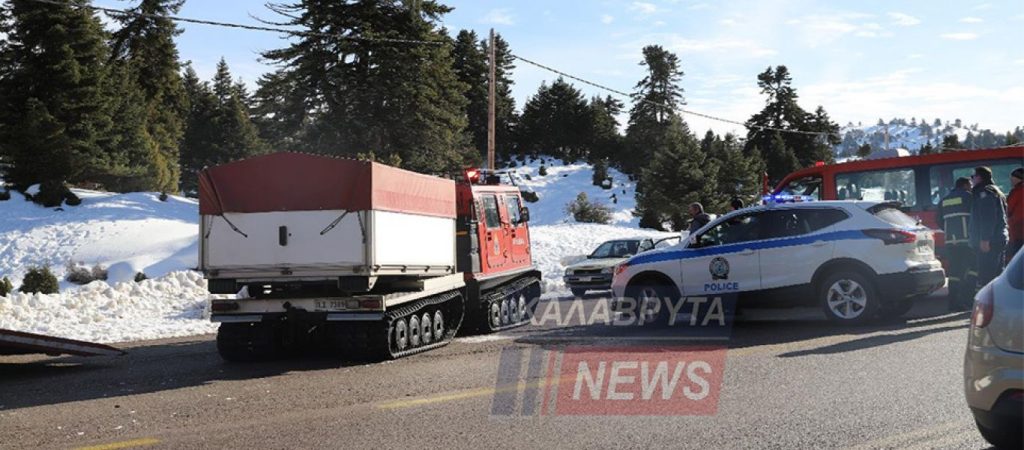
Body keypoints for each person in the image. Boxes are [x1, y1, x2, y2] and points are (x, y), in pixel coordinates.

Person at [938, 177, 974, 311]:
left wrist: (949, 232)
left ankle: (953, 303)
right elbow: (976, 217)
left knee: (954, 272)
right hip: (967, 241)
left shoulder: (944, 199)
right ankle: (966, 300)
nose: (971, 187)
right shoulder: (969, 197)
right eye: (969, 185)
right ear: (965, 185)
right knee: (970, 269)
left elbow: (939, 219)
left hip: (950, 242)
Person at [969, 166, 1008, 289]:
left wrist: (985, 239)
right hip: (998, 238)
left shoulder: (984, 192)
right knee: (997, 274)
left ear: (979, 177)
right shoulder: (996, 191)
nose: (971, 180)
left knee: (987, 276)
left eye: (973, 177)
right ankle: (999, 302)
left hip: (990, 241)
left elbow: (987, 218)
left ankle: (990, 304)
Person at [1007, 167, 1023, 262]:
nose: (1011, 180)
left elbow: (1007, 209)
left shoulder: (1017, 192)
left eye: (1012, 178)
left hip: (1017, 231)